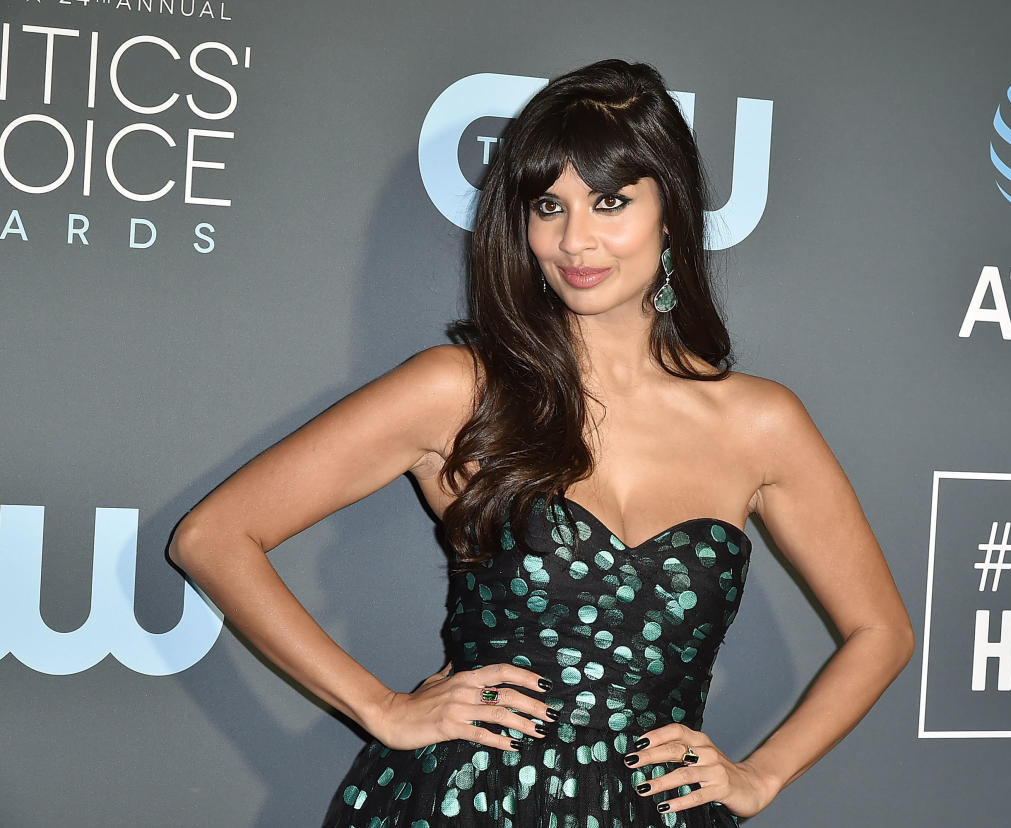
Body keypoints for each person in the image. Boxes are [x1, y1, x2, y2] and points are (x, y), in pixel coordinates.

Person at [170, 59, 914, 827]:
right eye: (549, 206)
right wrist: (383, 709)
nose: (575, 240)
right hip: (467, 804)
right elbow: (213, 537)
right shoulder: (460, 389)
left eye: (611, 202)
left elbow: (881, 631)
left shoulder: (760, 422)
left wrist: (760, 776)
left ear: (672, 215)